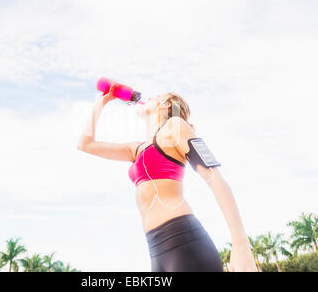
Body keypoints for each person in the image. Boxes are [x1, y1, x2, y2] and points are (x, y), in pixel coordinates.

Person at [77, 84, 257, 272]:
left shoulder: (175, 127)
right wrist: (100, 103)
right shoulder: (136, 149)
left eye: (156, 96)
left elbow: (215, 179)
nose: (148, 97)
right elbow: (85, 144)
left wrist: (240, 243)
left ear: (165, 106)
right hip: (156, 248)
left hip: (183, 241)